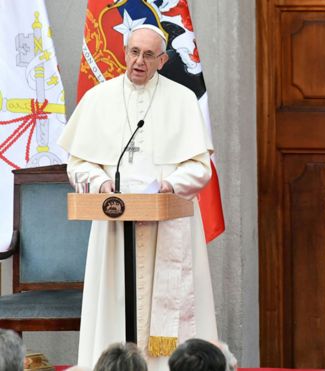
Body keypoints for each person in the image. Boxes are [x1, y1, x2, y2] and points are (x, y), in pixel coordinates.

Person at [58, 24, 217, 370]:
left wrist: (170, 185)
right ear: (124, 53)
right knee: (115, 299)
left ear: (162, 60)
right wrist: (101, 184)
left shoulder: (182, 99)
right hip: (115, 223)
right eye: (133, 52)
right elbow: (79, 164)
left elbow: (200, 168)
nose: (139, 62)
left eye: (148, 55)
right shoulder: (99, 99)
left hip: (168, 223)